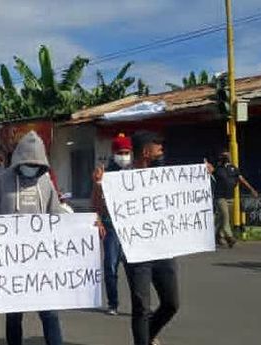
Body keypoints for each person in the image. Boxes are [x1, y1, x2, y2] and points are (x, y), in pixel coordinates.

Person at [0, 131, 68, 345]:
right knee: (13, 315)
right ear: (18, 160)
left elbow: (58, 218)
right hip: (12, 263)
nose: (31, 166)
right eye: (27, 162)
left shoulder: (46, 183)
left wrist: (86, 227)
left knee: (50, 314)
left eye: (36, 162)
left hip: (42, 262)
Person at [116, 131, 178, 345]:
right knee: (142, 306)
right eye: (157, 145)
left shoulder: (164, 174)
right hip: (137, 251)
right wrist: (98, 187)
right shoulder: (121, 178)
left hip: (162, 247)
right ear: (145, 151)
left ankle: (148, 335)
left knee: (171, 303)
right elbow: (103, 209)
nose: (162, 149)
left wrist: (202, 175)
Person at [91, 133, 132, 316]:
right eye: (121, 152)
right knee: (110, 266)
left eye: (127, 152)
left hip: (132, 226)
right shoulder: (104, 174)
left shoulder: (136, 173)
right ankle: (113, 303)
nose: (124, 156)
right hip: (111, 226)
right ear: (114, 153)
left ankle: (140, 305)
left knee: (136, 269)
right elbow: (96, 202)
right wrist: (99, 220)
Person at [213, 150, 258, 248]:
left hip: (230, 197)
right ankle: (230, 237)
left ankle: (218, 235)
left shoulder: (234, 168)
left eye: (227, 155)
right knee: (225, 216)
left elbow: (242, 180)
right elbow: (209, 171)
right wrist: (205, 165)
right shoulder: (218, 169)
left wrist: (251, 189)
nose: (226, 157)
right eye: (224, 156)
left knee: (222, 219)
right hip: (220, 197)